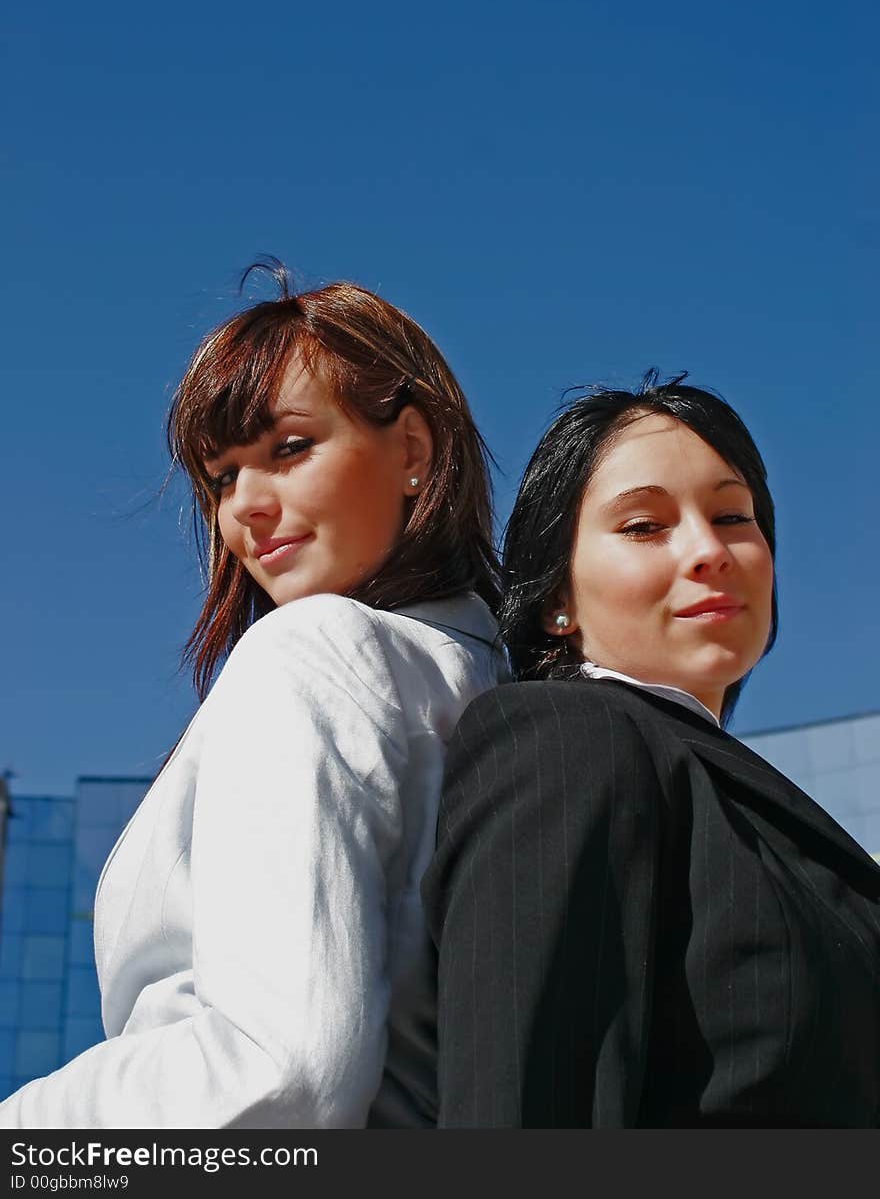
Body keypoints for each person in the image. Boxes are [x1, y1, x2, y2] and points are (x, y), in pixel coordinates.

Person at [0, 261, 507, 1129]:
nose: (247, 510)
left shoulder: (312, 652)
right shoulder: (489, 683)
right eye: (222, 477)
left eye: (289, 449)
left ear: (414, 451)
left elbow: (278, 1071)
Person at [423, 371, 880, 1128]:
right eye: (643, 526)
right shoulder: (567, 739)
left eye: (734, 516)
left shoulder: (736, 805)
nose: (709, 550)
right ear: (556, 600)